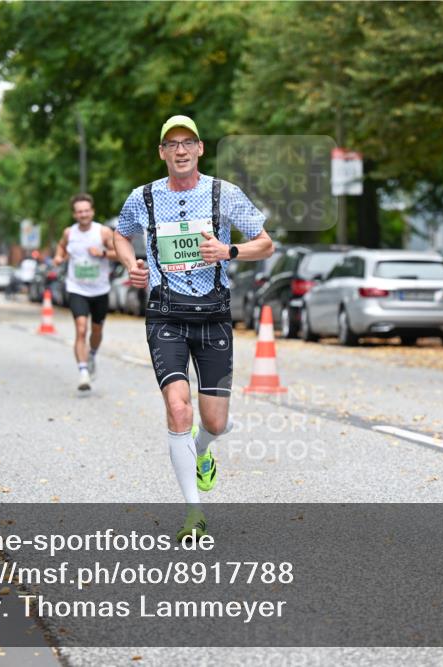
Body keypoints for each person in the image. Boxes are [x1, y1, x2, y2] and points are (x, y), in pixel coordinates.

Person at [115, 115, 274, 541]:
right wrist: (131, 264)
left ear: (200, 148)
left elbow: (265, 243)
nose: (181, 150)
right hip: (165, 314)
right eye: (172, 144)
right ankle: (193, 512)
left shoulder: (225, 194)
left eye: (188, 142)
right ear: (162, 152)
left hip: (213, 315)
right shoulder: (143, 197)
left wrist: (228, 250)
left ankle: (203, 449)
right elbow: (120, 234)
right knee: (178, 408)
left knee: (215, 423)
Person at [54, 193, 117, 391]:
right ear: (74, 214)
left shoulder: (103, 232)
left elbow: (119, 253)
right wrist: (58, 257)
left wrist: (103, 253)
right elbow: (61, 247)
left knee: (96, 330)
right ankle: (83, 373)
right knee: (81, 329)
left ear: (92, 212)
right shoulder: (69, 233)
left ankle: (92, 355)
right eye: (79, 211)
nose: (83, 214)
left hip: (100, 289)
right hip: (76, 288)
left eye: (86, 211)